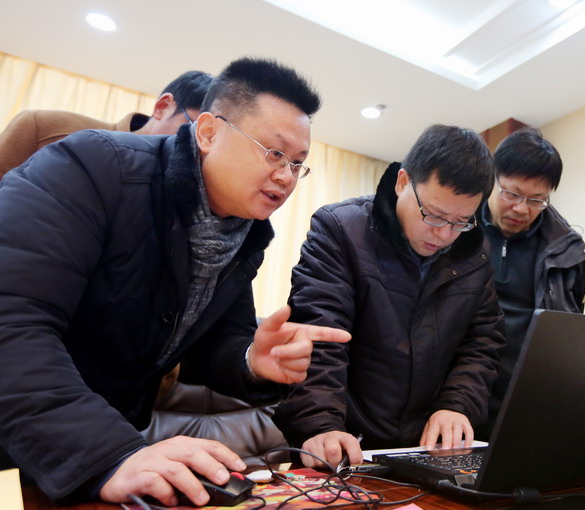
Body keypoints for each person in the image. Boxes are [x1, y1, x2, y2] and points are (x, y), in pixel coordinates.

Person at [0, 57, 350, 505]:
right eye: (274, 152)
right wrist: (109, 454)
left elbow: (212, 346)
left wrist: (251, 359)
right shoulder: (91, 165)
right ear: (208, 132)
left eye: (298, 164)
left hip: (93, 454)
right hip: (29, 435)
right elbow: (12, 320)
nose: (286, 176)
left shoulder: (240, 235)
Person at [273, 124, 506, 469]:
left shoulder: (475, 254)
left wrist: (456, 405)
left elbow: (481, 343)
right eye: (433, 215)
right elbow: (320, 334)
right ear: (402, 182)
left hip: (425, 451)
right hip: (346, 443)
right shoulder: (341, 230)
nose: (443, 234)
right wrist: (321, 424)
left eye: (461, 221)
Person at [476, 127, 585, 439]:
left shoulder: (567, 251)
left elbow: (571, 333)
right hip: (459, 396)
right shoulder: (458, 230)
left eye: (537, 199)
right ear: (492, 179)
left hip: (530, 403)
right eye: (511, 194)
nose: (521, 209)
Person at [0, 70, 213, 176]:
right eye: (195, 128)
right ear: (162, 106)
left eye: (211, 138)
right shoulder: (45, 129)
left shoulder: (185, 186)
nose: (199, 145)